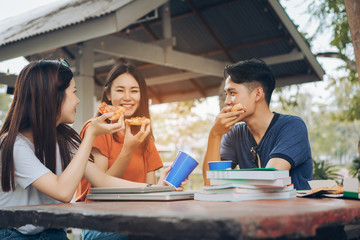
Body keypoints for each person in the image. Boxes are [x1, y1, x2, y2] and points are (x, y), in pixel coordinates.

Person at [0, 59, 172, 240]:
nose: (78, 100)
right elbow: (63, 192)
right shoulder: (13, 146)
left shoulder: (64, 138)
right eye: (73, 93)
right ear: (52, 96)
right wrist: (90, 135)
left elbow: (102, 180)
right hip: (15, 233)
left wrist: (154, 188)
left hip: (52, 232)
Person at [202, 59, 312, 190]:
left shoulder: (293, 126)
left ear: (258, 94)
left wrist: (226, 178)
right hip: (252, 209)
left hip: (292, 210)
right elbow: (211, 183)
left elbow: (268, 179)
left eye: (232, 93)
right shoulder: (234, 134)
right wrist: (215, 134)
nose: (227, 102)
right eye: (227, 94)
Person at [75, 62, 163, 203]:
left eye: (134, 91)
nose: (127, 97)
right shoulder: (97, 128)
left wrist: (164, 184)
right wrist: (128, 150)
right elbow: (100, 186)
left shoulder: (143, 133)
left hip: (137, 215)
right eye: (120, 90)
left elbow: (149, 191)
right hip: (98, 215)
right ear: (108, 94)